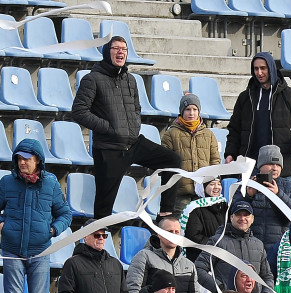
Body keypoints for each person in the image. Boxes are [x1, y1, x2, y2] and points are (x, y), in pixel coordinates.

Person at [71, 37, 181, 217]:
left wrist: (134, 125)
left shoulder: (130, 80)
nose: (120, 52)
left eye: (124, 49)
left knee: (172, 160)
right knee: (103, 208)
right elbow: (79, 111)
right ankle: (96, 241)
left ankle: (165, 215)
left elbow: (136, 107)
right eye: (116, 48)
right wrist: (108, 128)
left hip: (134, 143)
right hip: (109, 149)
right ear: (107, 52)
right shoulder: (92, 79)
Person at [0, 138, 72, 293]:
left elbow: (65, 214)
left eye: (27, 159)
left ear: (38, 160)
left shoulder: (50, 183)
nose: (22, 163)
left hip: (40, 252)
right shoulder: (6, 182)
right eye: (19, 158)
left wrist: (52, 229)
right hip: (12, 251)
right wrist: (3, 225)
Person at [224, 52, 291, 180]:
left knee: (284, 200)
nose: (259, 73)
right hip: (250, 166)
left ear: (271, 68)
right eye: (256, 69)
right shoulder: (245, 97)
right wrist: (230, 153)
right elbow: (234, 129)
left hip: (282, 167)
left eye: (263, 68)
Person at [125, 215, 202, 293]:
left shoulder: (189, 265)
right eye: (169, 231)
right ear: (159, 233)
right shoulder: (143, 257)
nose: (174, 235)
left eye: (177, 232)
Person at [195, 198, 274, 293]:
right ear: (231, 218)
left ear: (252, 219)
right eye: (238, 215)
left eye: (246, 215)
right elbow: (198, 268)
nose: (242, 218)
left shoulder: (258, 244)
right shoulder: (217, 241)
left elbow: (267, 276)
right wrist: (220, 289)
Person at [160, 93, 220, 214]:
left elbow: (215, 161)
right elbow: (164, 163)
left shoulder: (208, 134)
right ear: (182, 111)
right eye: (187, 109)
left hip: (203, 193)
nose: (191, 113)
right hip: (180, 194)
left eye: (195, 109)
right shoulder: (170, 134)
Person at [247, 144, 291, 270]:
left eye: (278, 165)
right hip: (252, 247)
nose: (275, 168)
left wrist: (278, 194)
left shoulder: (290, 187)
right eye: (271, 163)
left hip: (280, 248)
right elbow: (234, 213)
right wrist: (249, 196)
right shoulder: (247, 184)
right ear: (260, 166)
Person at [179, 178, 227, 261]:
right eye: (212, 184)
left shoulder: (224, 206)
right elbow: (193, 236)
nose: (216, 187)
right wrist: (215, 245)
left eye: (219, 184)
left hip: (223, 255)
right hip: (201, 258)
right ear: (202, 188)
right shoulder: (194, 208)